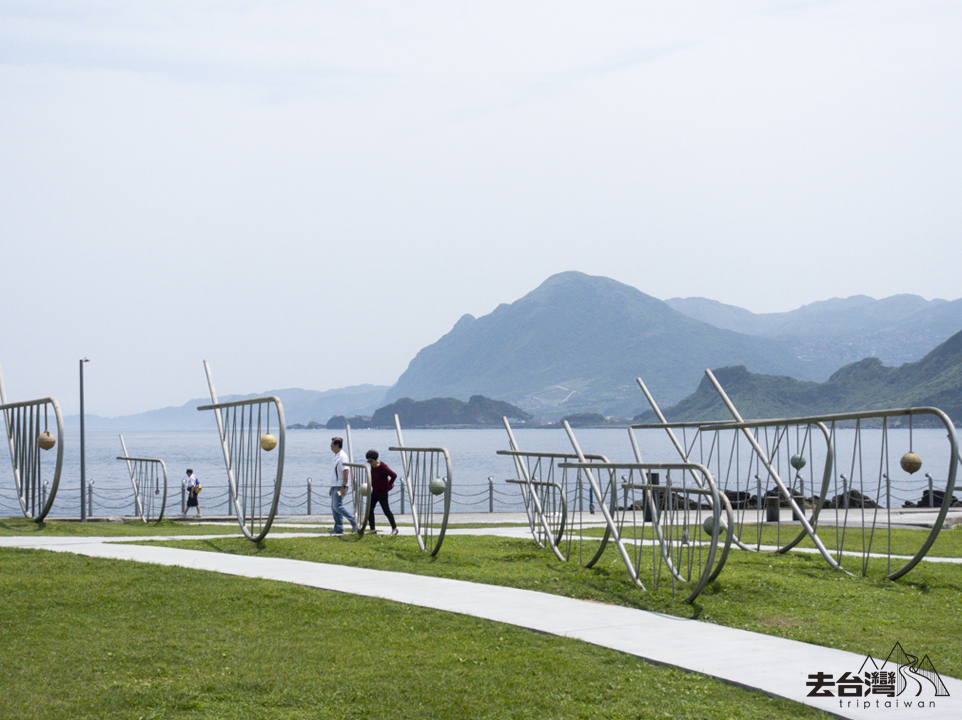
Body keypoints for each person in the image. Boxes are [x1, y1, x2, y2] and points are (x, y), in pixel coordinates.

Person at [365, 449, 398, 536]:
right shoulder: (372, 466)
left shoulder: (383, 467)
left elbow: (394, 475)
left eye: (371, 461)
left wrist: (389, 484)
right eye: (368, 461)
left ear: (376, 459)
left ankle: (394, 528)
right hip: (374, 492)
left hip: (382, 492)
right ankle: (372, 529)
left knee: (386, 510)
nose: (369, 463)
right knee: (369, 510)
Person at [328, 437, 357, 535]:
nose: (330, 445)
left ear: (337, 445)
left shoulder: (342, 456)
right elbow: (336, 473)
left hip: (341, 485)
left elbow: (346, 471)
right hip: (335, 485)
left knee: (337, 506)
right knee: (334, 507)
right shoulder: (336, 456)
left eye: (332, 444)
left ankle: (353, 521)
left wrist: (344, 486)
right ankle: (339, 527)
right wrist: (332, 487)